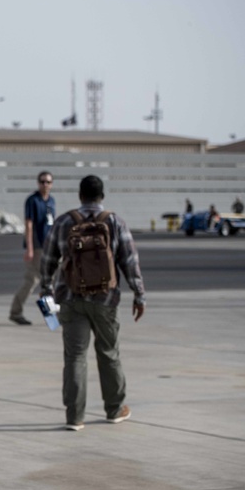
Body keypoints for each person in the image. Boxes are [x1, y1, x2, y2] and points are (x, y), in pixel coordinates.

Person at [40, 174, 146, 431]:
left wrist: (47, 290)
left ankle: (75, 417)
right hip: (105, 299)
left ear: (80, 195)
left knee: (75, 356)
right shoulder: (114, 221)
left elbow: (48, 260)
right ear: (102, 196)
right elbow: (129, 261)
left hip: (71, 300)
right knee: (109, 354)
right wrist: (138, 294)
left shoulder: (65, 221)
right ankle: (114, 409)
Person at [9, 171, 55, 325]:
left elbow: (51, 224)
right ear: (38, 183)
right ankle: (16, 312)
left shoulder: (51, 201)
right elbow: (29, 225)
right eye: (42, 182)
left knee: (48, 281)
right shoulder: (32, 200)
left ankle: (50, 315)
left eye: (48, 182)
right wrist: (29, 248)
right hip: (37, 247)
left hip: (49, 247)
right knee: (32, 280)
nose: (45, 185)